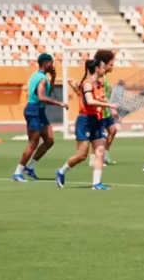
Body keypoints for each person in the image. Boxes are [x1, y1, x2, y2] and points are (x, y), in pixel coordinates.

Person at [55, 59, 119, 190]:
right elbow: (90, 101)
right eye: (103, 66)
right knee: (81, 156)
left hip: (97, 120)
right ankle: (61, 171)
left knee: (100, 151)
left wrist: (111, 108)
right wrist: (109, 105)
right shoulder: (87, 84)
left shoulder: (99, 84)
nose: (105, 68)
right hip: (85, 121)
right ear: (97, 69)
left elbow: (101, 98)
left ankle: (96, 183)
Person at [14, 54, 68, 182]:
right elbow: (42, 97)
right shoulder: (41, 79)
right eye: (51, 63)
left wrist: (53, 77)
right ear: (45, 63)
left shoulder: (39, 76)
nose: (52, 65)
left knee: (49, 140)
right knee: (33, 143)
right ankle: (18, 172)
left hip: (39, 111)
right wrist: (59, 103)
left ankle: (30, 167)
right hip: (34, 111)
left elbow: (48, 93)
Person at [95, 50, 118, 166]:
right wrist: (112, 108)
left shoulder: (105, 77)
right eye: (111, 64)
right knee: (98, 137)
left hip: (105, 111)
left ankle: (105, 156)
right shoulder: (99, 78)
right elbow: (100, 96)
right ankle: (95, 158)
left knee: (113, 130)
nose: (112, 66)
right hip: (100, 111)